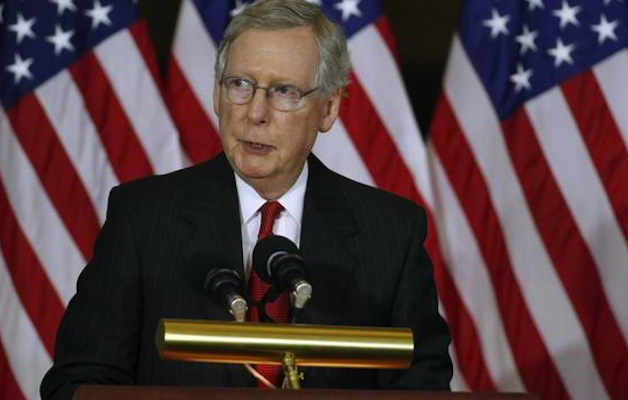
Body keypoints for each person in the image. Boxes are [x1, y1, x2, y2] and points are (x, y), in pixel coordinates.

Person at [40, 0, 451, 398]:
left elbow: (422, 389)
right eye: (240, 85)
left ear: (328, 109)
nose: (256, 112)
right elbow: (80, 382)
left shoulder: (391, 232)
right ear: (217, 95)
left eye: (284, 91)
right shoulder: (143, 218)